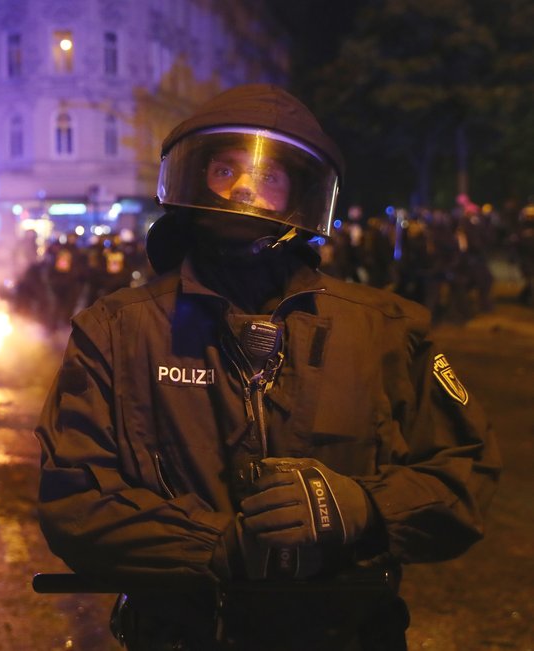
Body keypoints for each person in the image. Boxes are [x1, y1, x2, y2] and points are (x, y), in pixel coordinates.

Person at [33, 84, 500, 650]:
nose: (246, 187)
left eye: (269, 177)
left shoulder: (387, 329)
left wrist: (365, 509)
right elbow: (74, 498)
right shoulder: (114, 331)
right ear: (192, 179)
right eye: (225, 170)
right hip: (181, 635)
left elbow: (465, 473)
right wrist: (214, 545)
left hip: (347, 634)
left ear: (299, 195)